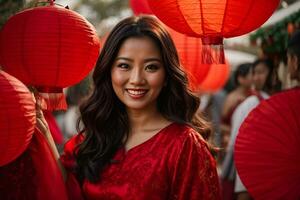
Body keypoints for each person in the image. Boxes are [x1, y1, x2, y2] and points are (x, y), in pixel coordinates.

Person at [37, 15, 221, 199]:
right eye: (124, 65)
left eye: (151, 67)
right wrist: (44, 134)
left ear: (167, 75)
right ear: (109, 71)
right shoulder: (97, 134)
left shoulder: (184, 145)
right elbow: (65, 188)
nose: (136, 80)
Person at [222, 58, 279, 200]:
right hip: (247, 162)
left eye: (261, 72)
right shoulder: (249, 103)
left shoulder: (271, 100)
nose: (257, 77)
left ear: (273, 74)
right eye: (255, 73)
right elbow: (235, 140)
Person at [220, 63, 253, 200]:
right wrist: (235, 130)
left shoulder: (254, 97)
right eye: (251, 74)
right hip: (232, 144)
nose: (254, 78)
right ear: (241, 78)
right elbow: (222, 125)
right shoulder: (231, 98)